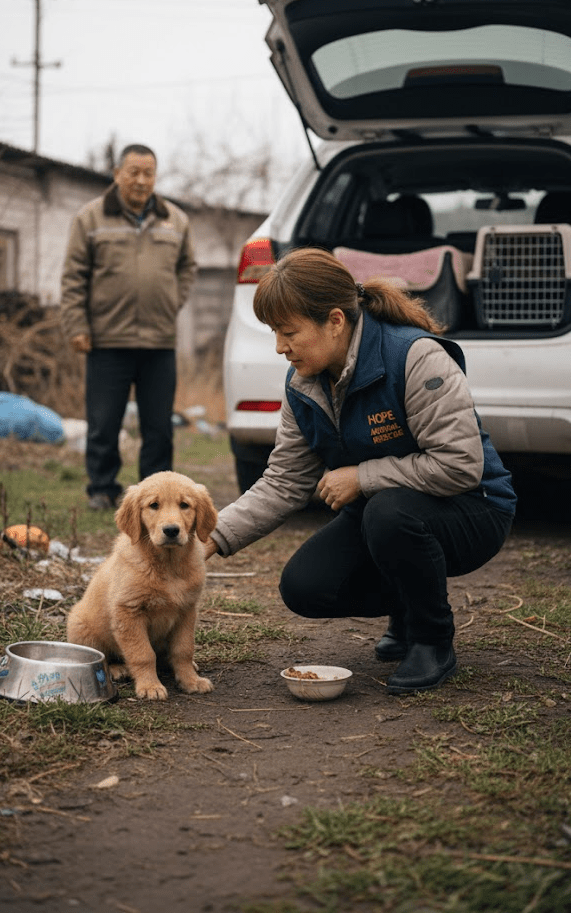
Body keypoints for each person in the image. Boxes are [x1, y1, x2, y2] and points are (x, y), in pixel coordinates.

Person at [204, 248, 516, 693]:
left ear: (334, 320)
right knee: (305, 586)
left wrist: (362, 477)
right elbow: (284, 481)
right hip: (388, 509)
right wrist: (212, 537)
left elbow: (460, 465)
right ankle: (408, 604)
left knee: (388, 514)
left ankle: (431, 639)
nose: (279, 347)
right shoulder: (304, 385)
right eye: (274, 332)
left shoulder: (415, 357)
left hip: (472, 508)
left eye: (289, 332)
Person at [60, 144, 197, 510]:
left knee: (158, 428)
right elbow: (74, 276)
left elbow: (187, 269)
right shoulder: (90, 219)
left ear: (155, 176)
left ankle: (155, 496)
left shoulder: (176, 220)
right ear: (117, 174)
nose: (141, 180)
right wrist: (77, 323)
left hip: (159, 340)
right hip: (106, 339)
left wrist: (171, 301)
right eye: (133, 172)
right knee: (103, 423)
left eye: (148, 173)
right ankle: (102, 489)